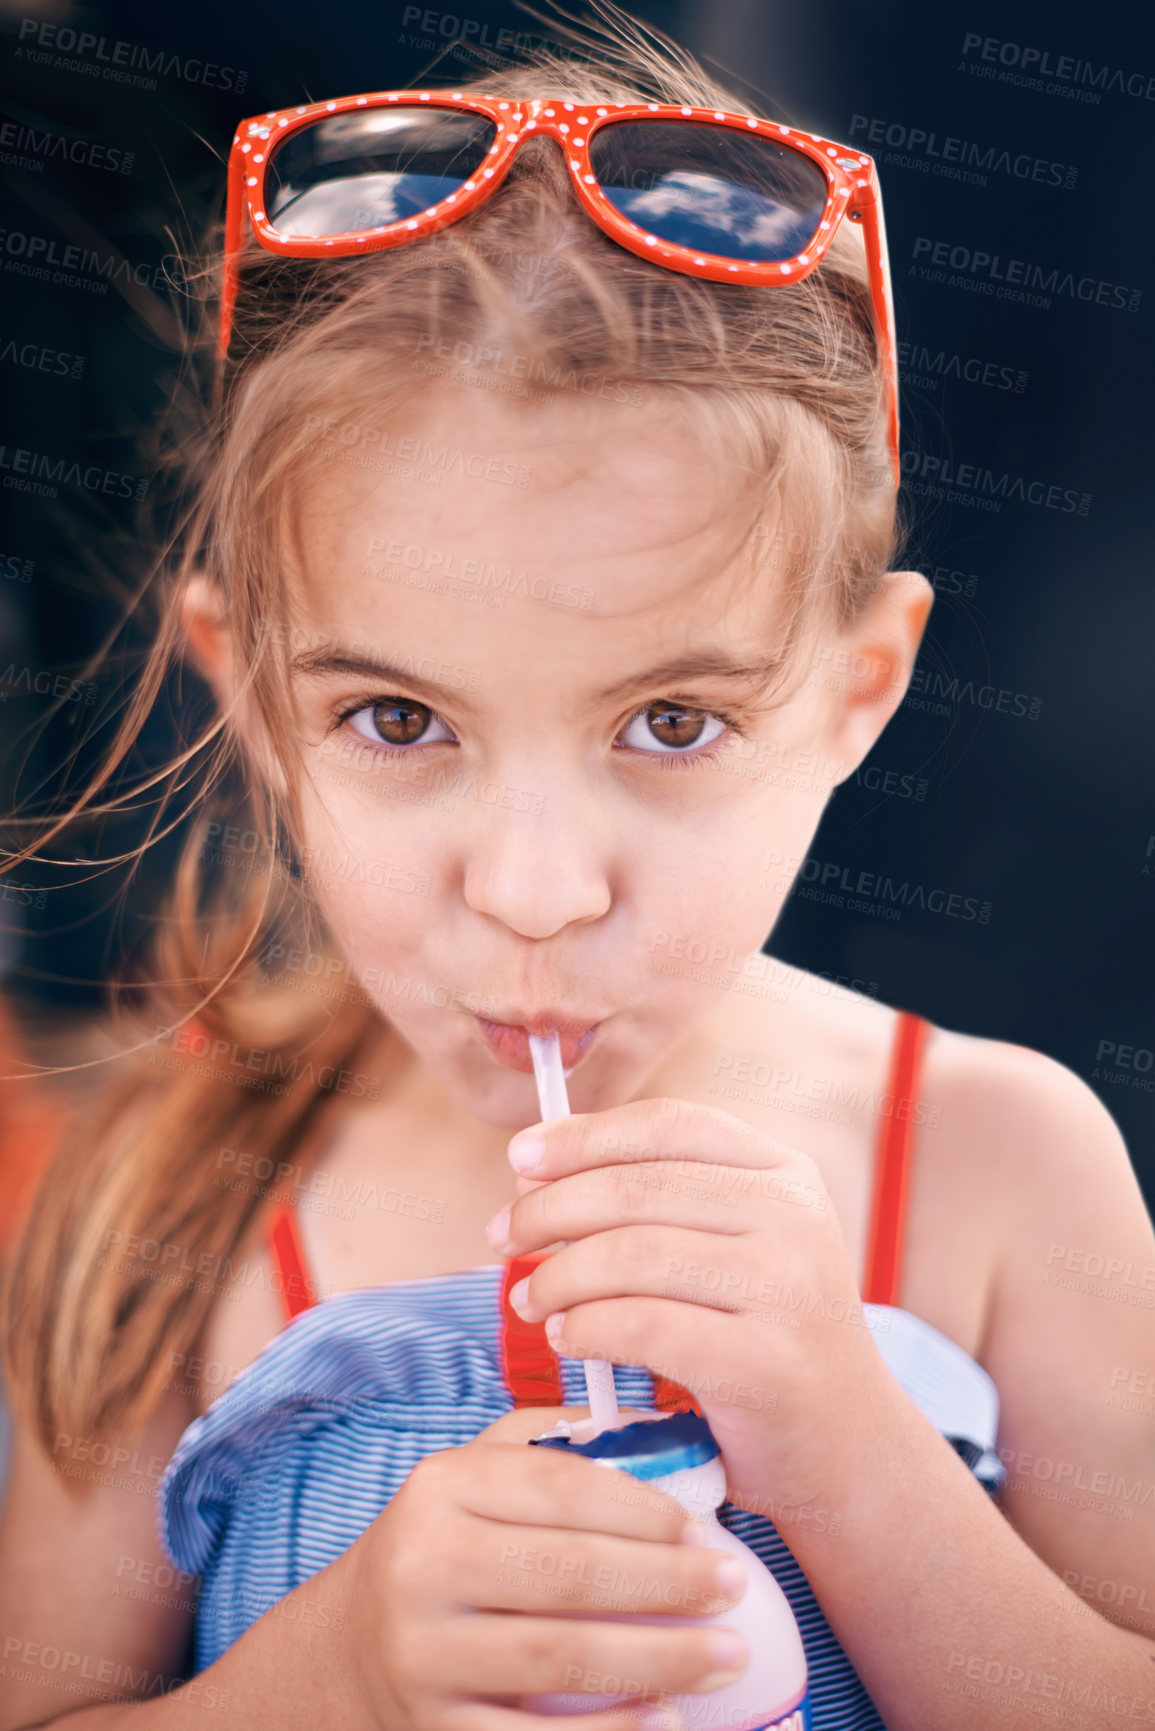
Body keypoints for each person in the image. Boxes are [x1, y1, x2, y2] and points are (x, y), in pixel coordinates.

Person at [2, 14, 1153, 1731]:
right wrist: (339, 1673)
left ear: (857, 694)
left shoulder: (1002, 1168)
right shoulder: (168, 1207)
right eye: (399, 719)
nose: (537, 889)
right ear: (251, 699)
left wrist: (842, 1443)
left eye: (672, 723)